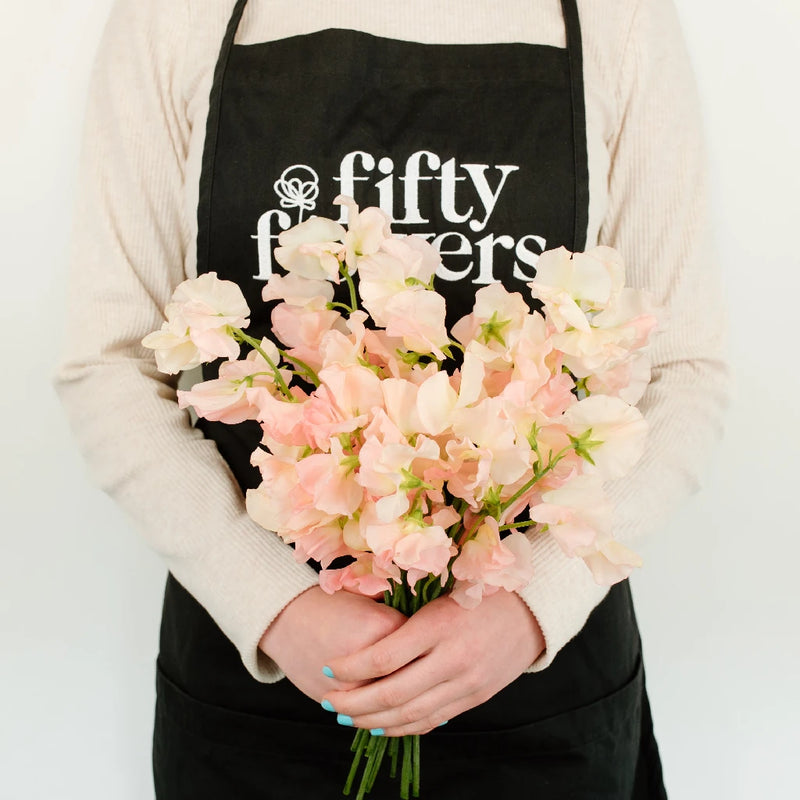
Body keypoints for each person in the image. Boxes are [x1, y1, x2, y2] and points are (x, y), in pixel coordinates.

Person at [55, 0, 727, 797]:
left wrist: (535, 604)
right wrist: (275, 607)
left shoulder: (619, 18)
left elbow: (686, 371)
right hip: (261, 696)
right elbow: (108, 361)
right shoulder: (173, 17)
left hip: (540, 703)